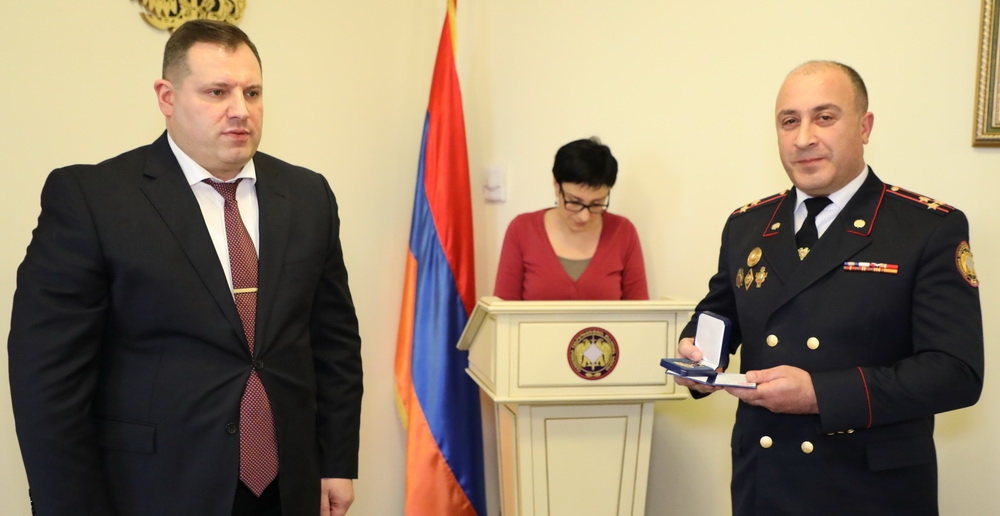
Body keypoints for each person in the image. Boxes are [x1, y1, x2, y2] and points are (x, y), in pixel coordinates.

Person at [7, 20, 363, 516]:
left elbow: (334, 344)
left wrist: (336, 460)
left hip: (287, 488)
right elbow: (47, 380)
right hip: (153, 490)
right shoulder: (94, 200)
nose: (240, 110)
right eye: (217, 92)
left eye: (252, 92)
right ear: (167, 97)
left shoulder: (309, 196)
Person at [674, 60, 983, 515]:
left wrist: (820, 394)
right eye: (789, 121)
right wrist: (698, 353)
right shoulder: (747, 225)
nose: (804, 138)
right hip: (765, 482)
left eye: (824, 117)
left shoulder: (926, 227)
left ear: (864, 126)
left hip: (869, 491)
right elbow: (722, 309)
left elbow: (956, 373)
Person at [493, 137, 649, 300]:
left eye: (596, 204)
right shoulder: (522, 229)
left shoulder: (623, 232)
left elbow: (640, 310)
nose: (584, 216)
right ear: (556, 186)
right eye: (574, 202)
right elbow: (503, 309)